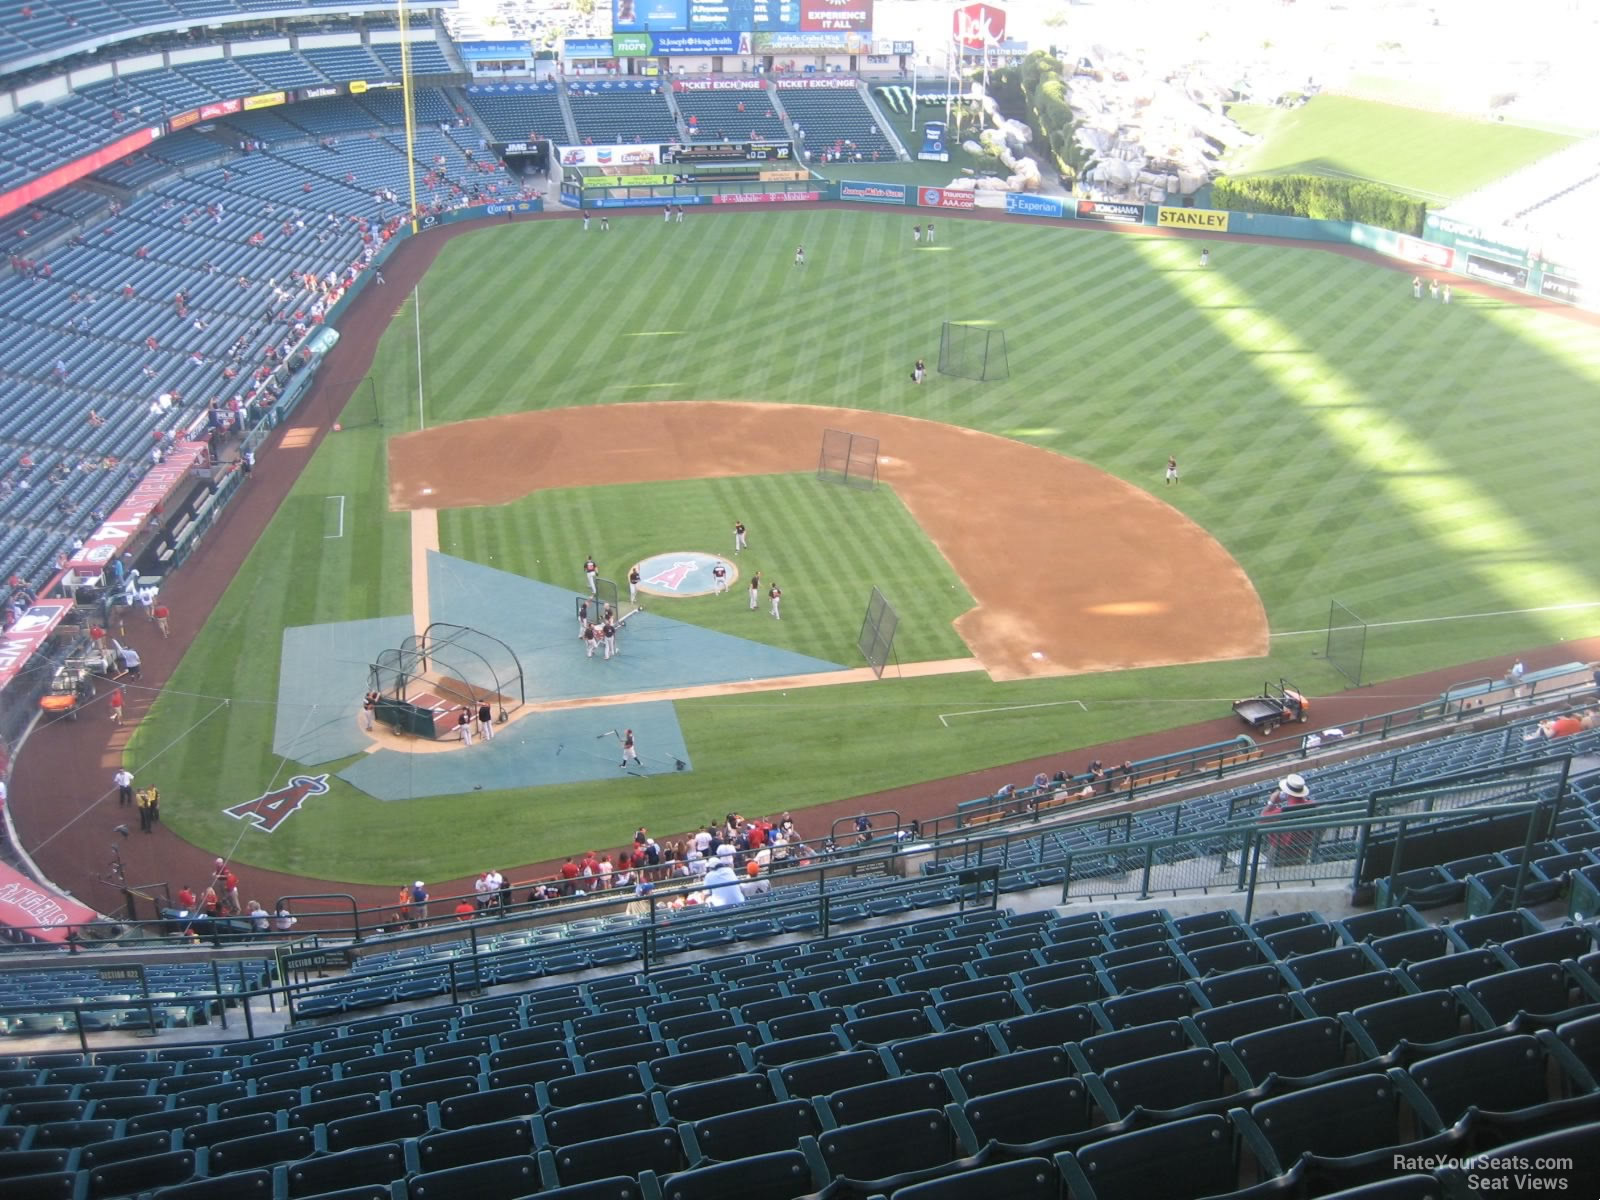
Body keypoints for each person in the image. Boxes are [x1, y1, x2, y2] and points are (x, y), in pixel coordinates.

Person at [1262, 773, 1314, 865]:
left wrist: (1272, 801)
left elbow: (1261, 820)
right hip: (1302, 849)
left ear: (1286, 793)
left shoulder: (1284, 811)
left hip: (1281, 851)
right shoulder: (1312, 805)